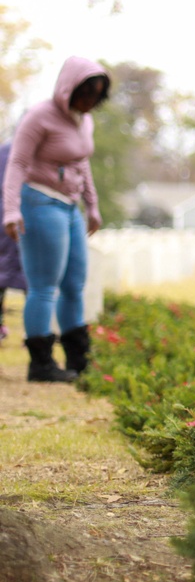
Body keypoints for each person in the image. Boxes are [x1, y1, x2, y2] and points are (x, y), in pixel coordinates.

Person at [2, 56, 110, 382]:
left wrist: (92, 205)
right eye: (85, 94)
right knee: (44, 286)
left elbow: (82, 162)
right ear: (69, 89)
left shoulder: (84, 120)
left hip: (69, 206)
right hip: (39, 202)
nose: (90, 102)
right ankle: (41, 363)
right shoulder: (39, 117)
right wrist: (10, 210)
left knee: (75, 284)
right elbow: (17, 164)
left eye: (96, 96)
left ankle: (78, 359)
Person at [0, 141, 28, 342]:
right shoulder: (29, 151)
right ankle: (33, 329)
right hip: (20, 217)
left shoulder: (4, 151)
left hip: (7, 217)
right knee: (33, 278)